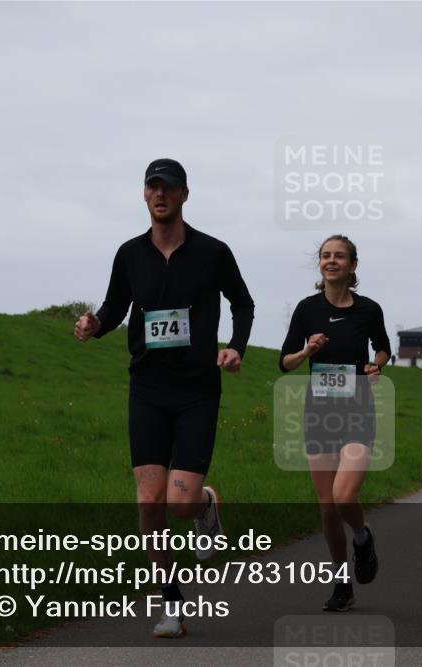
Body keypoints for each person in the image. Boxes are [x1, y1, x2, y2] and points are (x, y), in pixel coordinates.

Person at [74, 158, 255, 638]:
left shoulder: (213, 252)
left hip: (197, 389)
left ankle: (206, 504)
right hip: (148, 386)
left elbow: (243, 302)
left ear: (184, 195)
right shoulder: (130, 253)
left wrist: (235, 347)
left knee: (180, 503)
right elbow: (116, 307)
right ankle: (169, 602)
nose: (161, 194)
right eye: (153, 187)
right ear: (144, 195)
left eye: (169, 188)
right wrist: (95, 325)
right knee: (150, 501)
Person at [279, 235, 391, 613]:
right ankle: (342, 581)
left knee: (345, 496)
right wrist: (307, 350)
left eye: (339, 256)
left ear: (352, 266)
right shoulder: (306, 309)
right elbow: (286, 362)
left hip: (358, 408)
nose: (331, 261)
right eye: (326, 256)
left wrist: (379, 363)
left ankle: (362, 536)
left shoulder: (369, 310)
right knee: (327, 506)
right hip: (320, 413)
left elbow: (383, 346)